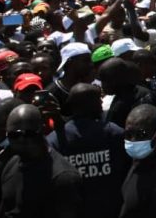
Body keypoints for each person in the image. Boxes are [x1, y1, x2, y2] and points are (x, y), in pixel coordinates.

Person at [47, 83, 130, 218]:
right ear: (90, 103)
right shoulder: (113, 133)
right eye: (98, 99)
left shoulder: (55, 139)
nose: (102, 102)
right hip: (111, 210)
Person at [0, 104, 83, 218]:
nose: (22, 139)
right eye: (14, 135)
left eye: (29, 134)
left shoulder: (63, 177)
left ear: (43, 130)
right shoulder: (11, 166)